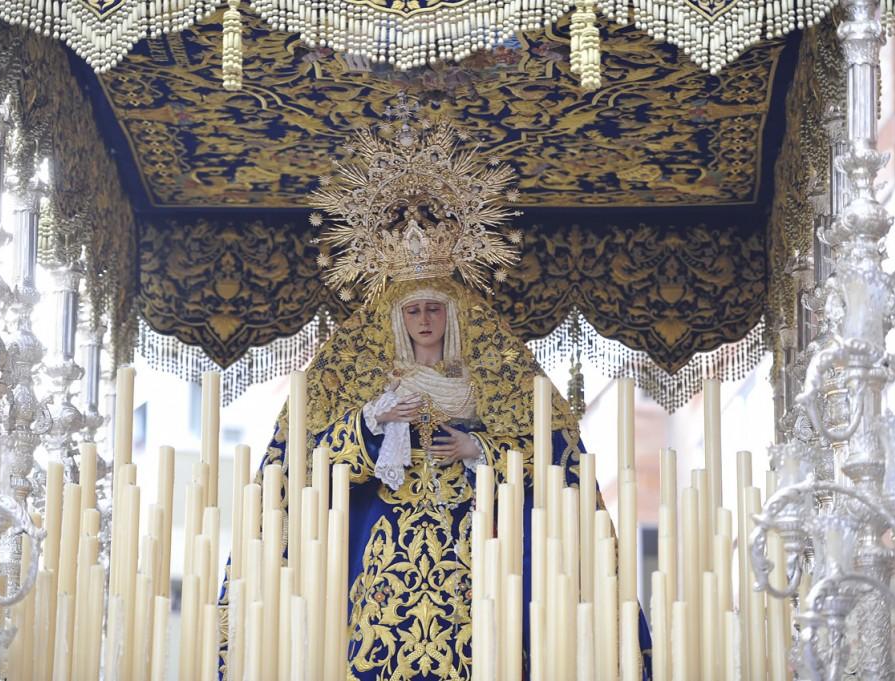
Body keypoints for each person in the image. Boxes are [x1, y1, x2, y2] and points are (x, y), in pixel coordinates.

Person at [218, 109, 650, 679]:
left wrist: (483, 453)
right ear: (398, 319)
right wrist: (372, 422)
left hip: (476, 550)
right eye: (414, 311)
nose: (425, 320)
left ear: (454, 315)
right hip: (381, 554)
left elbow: (555, 463)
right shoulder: (355, 375)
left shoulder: (500, 377)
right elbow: (302, 465)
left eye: (434, 309)